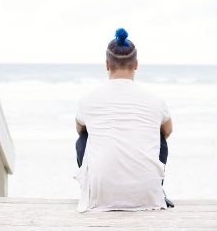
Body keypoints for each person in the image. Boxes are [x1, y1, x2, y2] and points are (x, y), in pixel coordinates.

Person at [74, 28, 173, 212]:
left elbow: (80, 129)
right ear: (136, 64)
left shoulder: (88, 98)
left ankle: (95, 189)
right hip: (147, 193)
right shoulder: (155, 99)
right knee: (159, 137)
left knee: (84, 138)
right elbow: (167, 131)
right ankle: (154, 189)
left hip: (100, 194)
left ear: (106, 64)